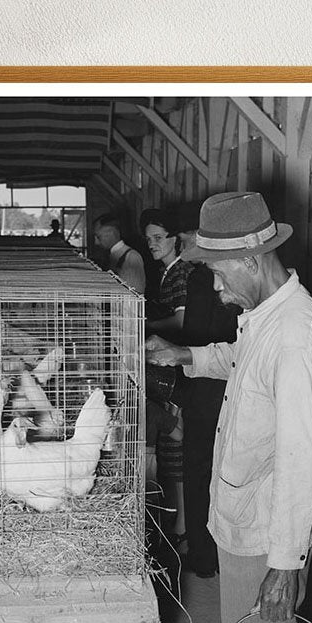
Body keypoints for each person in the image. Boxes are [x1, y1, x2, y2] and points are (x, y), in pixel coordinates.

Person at [146, 191, 312, 623]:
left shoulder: (294, 335)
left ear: (251, 261)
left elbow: (304, 457)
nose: (215, 288)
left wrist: (283, 565)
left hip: (268, 525)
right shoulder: (267, 315)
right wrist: (186, 355)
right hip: (249, 510)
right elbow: (245, 361)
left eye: (218, 273)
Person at [174, 203, 239, 579]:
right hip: (234, 387)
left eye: (185, 241)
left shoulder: (201, 280)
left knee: (199, 474)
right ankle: (224, 555)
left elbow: (195, 336)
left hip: (205, 393)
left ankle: (202, 557)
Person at [141, 208, 193, 553]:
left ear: (176, 238)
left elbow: (182, 323)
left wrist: (143, 327)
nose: (152, 245)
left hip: (182, 367)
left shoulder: (181, 273)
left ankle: (184, 529)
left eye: (159, 238)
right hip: (170, 364)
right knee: (172, 453)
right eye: (148, 240)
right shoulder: (165, 272)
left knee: (179, 454)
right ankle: (179, 526)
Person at [93, 213, 146, 293]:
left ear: (111, 233)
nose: (96, 242)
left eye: (98, 237)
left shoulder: (131, 257)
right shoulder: (111, 255)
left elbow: (135, 296)